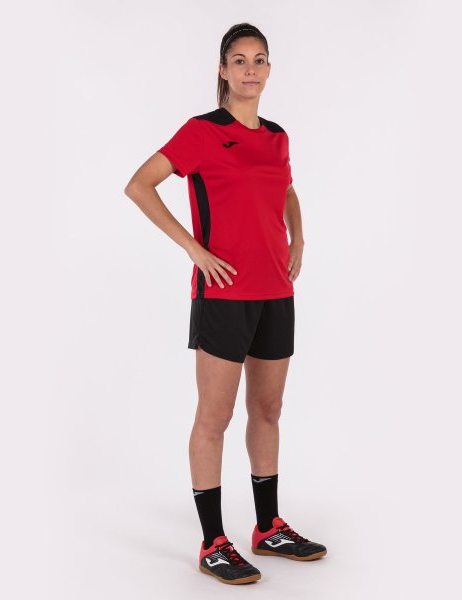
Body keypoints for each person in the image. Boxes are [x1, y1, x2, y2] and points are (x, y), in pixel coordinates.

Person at [124, 22, 326, 585]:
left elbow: (286, 189)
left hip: (276, 291)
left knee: (268, 411)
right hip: (223, 293)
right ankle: (213, 542)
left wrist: (299, 238)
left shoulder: (277, 137)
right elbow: (139, 185)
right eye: (239, 60)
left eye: (259, 59)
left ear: (269, 69)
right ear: (222, 69)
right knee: (214, 416)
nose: (250, 69)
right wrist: (194, 248)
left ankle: (268, 528)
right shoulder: (202, 132)